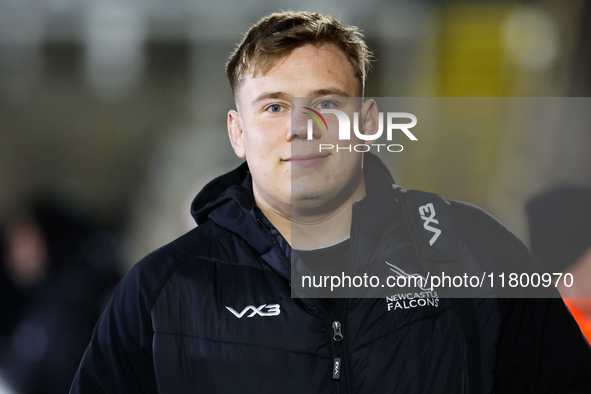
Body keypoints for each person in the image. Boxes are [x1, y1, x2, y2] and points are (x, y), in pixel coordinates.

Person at [70, 11, 591, 393]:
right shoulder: (163, 292)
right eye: (273, 107)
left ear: (367, 124)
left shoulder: (472, 252)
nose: (301, 129)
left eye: (326, 103)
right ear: (238, 132)